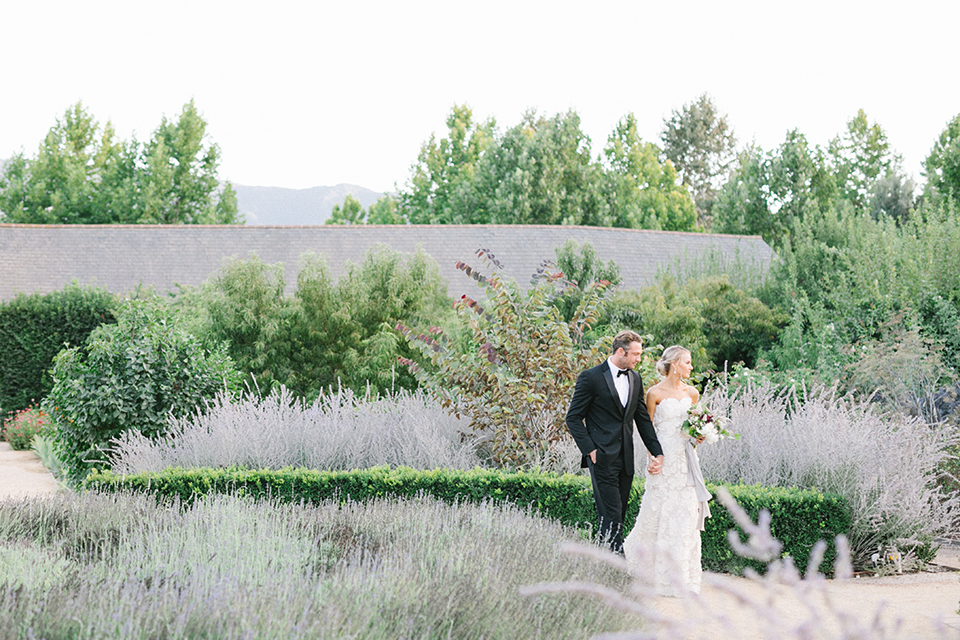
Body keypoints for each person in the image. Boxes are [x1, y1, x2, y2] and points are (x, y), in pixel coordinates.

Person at [565, 330, 664, 554]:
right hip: (600, 456)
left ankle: (603, 564)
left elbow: (642, 419)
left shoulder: (635, 378)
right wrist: (590, 449)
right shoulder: (590, 377)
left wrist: (657, 452)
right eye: (636, 354)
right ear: (621, 351)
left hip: (626, 457)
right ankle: (618, 568)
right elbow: (572, 417)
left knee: (617, 514)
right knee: (611, 513)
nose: (639, 359)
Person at [624, 345, 710, 596]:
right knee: (655, 513)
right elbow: (647, 429)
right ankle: (645, 572)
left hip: (685, 461)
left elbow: (695, 429)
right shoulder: (653, 393)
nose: (691, 367)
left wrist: (699, 438)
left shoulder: (693, 393)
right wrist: (653, 457)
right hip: (662, 460)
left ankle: (680, 578)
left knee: (684, 516)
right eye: (687, 362)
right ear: (674, 363)